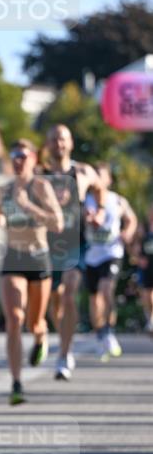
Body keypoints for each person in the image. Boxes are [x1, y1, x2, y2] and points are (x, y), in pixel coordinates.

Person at [0, 140, 63, 405]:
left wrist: (29, 207)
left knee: (34, 321)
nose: (17, 160)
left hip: (38, 258)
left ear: (34, 159)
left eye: (22, 155)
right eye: (13, 155)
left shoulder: (41, 187)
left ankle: (41, 336)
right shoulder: (6, 190)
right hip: (13, 256)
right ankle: (16, 382)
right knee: (13, 319)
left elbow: (57, 223)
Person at [42, 124, 104, 380]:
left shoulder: (82, 172)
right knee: (52, 303)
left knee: (69, 295)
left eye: (63, 139)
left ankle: (64, 354)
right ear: (47, 144)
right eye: (54, 139)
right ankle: (63, 336)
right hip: (45, 246)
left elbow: (100, 190)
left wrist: (98, 212)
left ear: (71, 143)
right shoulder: (40, 175)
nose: (59, 144)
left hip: (75, 244)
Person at [84, 162, 137, 360]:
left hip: (111, 252)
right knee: (94, 298)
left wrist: (127, 232)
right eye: (94, 175)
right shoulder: (86, 200)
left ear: (109, 179)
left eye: (101, 175)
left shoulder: (117, 201)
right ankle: (99, 333)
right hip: (92, 255)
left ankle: (109, 330)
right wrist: (89, 220)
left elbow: (131, 219)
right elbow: (83, 219)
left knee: (107, 290)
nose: (97, 179)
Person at [133, 204, 153, 337]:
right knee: (146, 295)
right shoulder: (143, 228)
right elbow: (135, 246)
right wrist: (139, 258)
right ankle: (150, 319)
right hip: (146, 266)